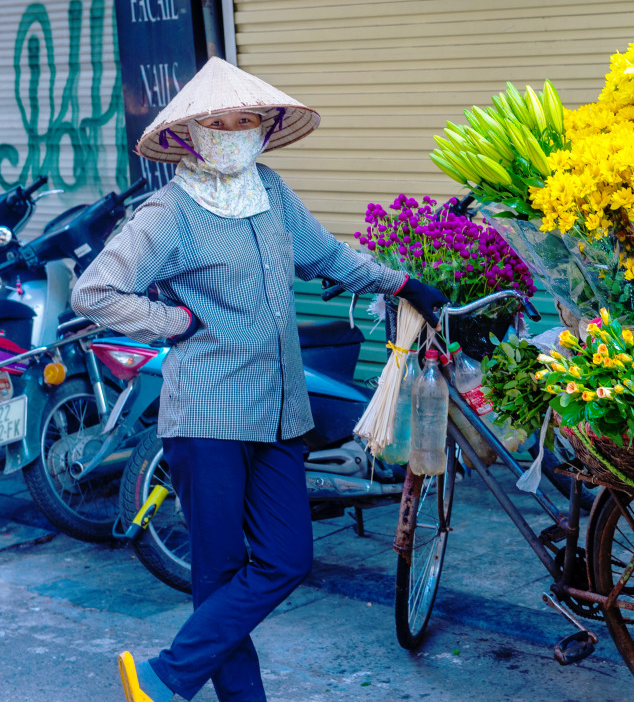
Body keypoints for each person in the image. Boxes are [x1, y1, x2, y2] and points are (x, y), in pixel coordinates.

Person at [70, 57, 447, 702]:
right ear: (191, 133)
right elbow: (95, 292)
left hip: (280, 410)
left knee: (286, 557)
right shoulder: (169, 213)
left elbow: (324, 254)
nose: (234, 129)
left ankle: (165, 676)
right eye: (219, 120)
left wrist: (403, 282)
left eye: (246, 119)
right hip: (207, 412)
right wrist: (172, 322)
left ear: (264, 126)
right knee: (218, 573)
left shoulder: (269, 190)